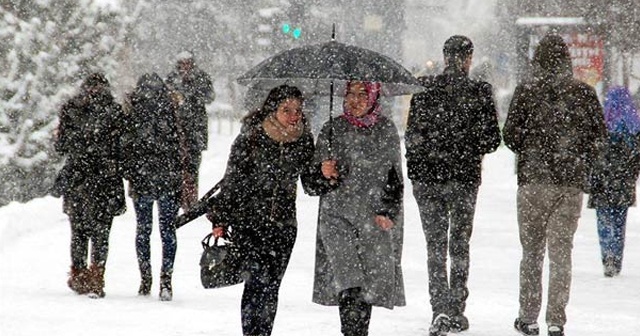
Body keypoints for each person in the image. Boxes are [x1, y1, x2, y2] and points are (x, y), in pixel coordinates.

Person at [503, 34, 607, 336]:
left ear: (538, 60)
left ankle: (528, 315)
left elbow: (509, 136)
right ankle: (556, 319)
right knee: (561, 253)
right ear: (567, 60)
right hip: (569, 184)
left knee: (532, 252)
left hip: (533, 182)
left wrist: (532, 146)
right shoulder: (583, 93)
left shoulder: (526, 91)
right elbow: (599, 138)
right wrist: (577, 156)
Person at [206, 85, 322, 336]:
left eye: (298, 111)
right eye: (286, 110)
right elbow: (232, 180)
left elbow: (311, 185)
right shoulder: (252, 137)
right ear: (272, 109)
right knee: (255, 283)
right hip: (250, 224)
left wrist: (325, 174)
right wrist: (221, 218)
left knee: (271, 288)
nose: (293, 116)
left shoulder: (302, 140)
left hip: (284, 227)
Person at [405, 35, 501, 335]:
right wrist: (466, 143)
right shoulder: (479, 91)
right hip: (463, 178)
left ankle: (439, 309)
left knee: (434, 246)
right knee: (459, 245)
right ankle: (458, 309)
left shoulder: (424, 89)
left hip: (428, 179)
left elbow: (412, 137)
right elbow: (491, 140)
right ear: (469, 58)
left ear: (445, 56)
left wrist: (418, 170)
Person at [312, 81, 405, 336]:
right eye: (350, 94)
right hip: (336, 217)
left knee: (367, 283)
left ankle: (357, 332)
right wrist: (323, 172)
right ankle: (352, 332)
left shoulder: (386, 129)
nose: (355, 100)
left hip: (372, 217)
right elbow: (311, 183)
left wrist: (388, 211)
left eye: (362, 94)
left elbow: (395, 178)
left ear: (374, 97)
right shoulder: (332, 129)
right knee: (348, 281)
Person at [53, 72, 127, 299]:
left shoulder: (72, 109)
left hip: (78, 178)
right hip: (105, 179)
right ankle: (96, 275)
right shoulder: (114, 112)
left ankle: (79, 274)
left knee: (78, 231)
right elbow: (122, 147)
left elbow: (61, 146)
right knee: (101, 232)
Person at [122, 73, 183, 301]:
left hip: (142, 179)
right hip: (167, 178)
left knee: (143, 230)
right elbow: (179, 147)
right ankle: (166, 280)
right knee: (168, 231)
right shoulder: (171, 109)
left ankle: (145, 278)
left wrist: (131, 172)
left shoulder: (133, 110)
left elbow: (126, 146)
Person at [587, 86, 640, 277]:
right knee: (619, 222)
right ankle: (616, 258)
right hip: (623, 182)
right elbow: (636, 157)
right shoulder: (634, 126)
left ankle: (607, 254)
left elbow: (591, 152)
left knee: (604, 220)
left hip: (602, 181)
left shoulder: (602, 121)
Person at [165, 51, 215, 210]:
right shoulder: (172, 78)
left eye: (188, 63)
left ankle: (191, 200)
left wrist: (193, 95)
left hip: (195, 128)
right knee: (176, 166)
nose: (185, 66)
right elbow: (166, 98)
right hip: (176, 129)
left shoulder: (201, 77)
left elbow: (209, 97)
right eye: (182, 63)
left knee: (193, 166)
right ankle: (178, 198)